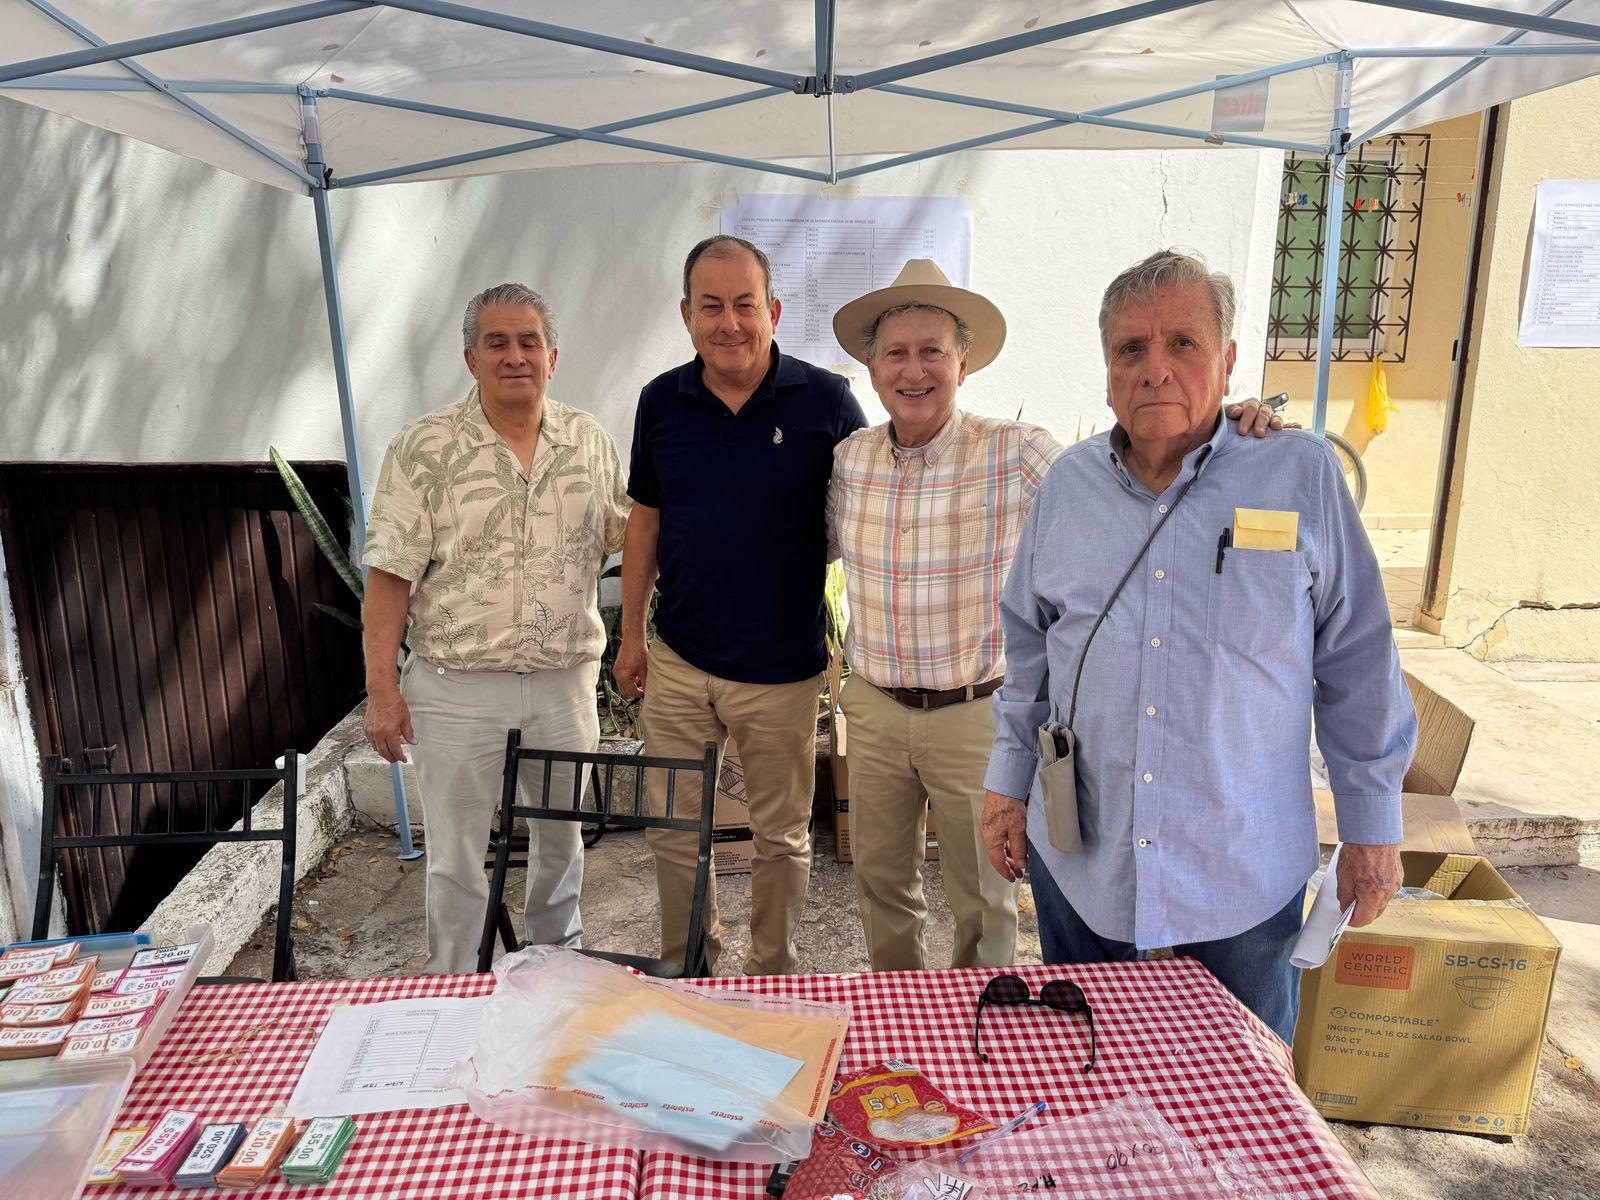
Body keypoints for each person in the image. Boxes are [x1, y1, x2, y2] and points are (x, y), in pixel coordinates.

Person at [980, 249, 1414, 1042]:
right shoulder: (1066, 489)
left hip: (1243, 867)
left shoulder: (1298, 473)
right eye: (1131, 349)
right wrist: (1007, 788)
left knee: (1243, 1106)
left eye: (1183, 343)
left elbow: (1358, 659)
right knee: (1088, 1077)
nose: (1156, 370)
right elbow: (1028, 652)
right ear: (1108, 367)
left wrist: (1373, 827)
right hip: (1085, 860)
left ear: (1228, 360)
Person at [827, 259, 1287, 973]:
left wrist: (1221, 425)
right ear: (871, 364)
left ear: (963, 362)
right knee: (880, 884)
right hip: (876, 712)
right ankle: (903, 1020)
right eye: (896, 353)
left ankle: (989, 1035)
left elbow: (1132, 475)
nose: (914, 371)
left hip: (972, 713)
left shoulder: (1017, 451)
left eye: (932, 352)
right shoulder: (850, 460)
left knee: (984, 897)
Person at [615, 235, 869, 976]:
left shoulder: (826, 400)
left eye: (745, 305)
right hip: (682, 661)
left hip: (783, 669)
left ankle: (772, 975)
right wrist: (631, 638)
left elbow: (888, 488)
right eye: (712, 306)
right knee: (673, 828)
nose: (730, 322)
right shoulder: (661, 401)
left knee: (782, 838)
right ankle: (689, 964)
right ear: (687, 315)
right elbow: (645, 522)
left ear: (774, 311)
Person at [360, 282, 630, 974]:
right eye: (497, 342)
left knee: (562, 844)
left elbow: (632, 537)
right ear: (471, 359)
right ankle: (458, 991)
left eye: (528, 342)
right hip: (455, 690)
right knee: (455, 859)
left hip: (564, 685)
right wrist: (382, 691)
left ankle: (554, 979)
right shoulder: (423, 449)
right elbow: (389, 575)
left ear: (553, 356)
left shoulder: (588, 442)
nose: (515, 356)